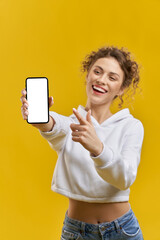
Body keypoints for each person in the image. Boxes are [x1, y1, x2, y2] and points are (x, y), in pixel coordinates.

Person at [20, 46, 144, 240]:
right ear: (87, 75)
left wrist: (98, 148)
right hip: (76, 232)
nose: (101, 80)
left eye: (112, 77)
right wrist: (43, 120)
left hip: (123, 231)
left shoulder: (131, 127)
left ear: (121, 89)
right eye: (97, 71)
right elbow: (56, 126)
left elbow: (125, 178)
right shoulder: (72, 123)